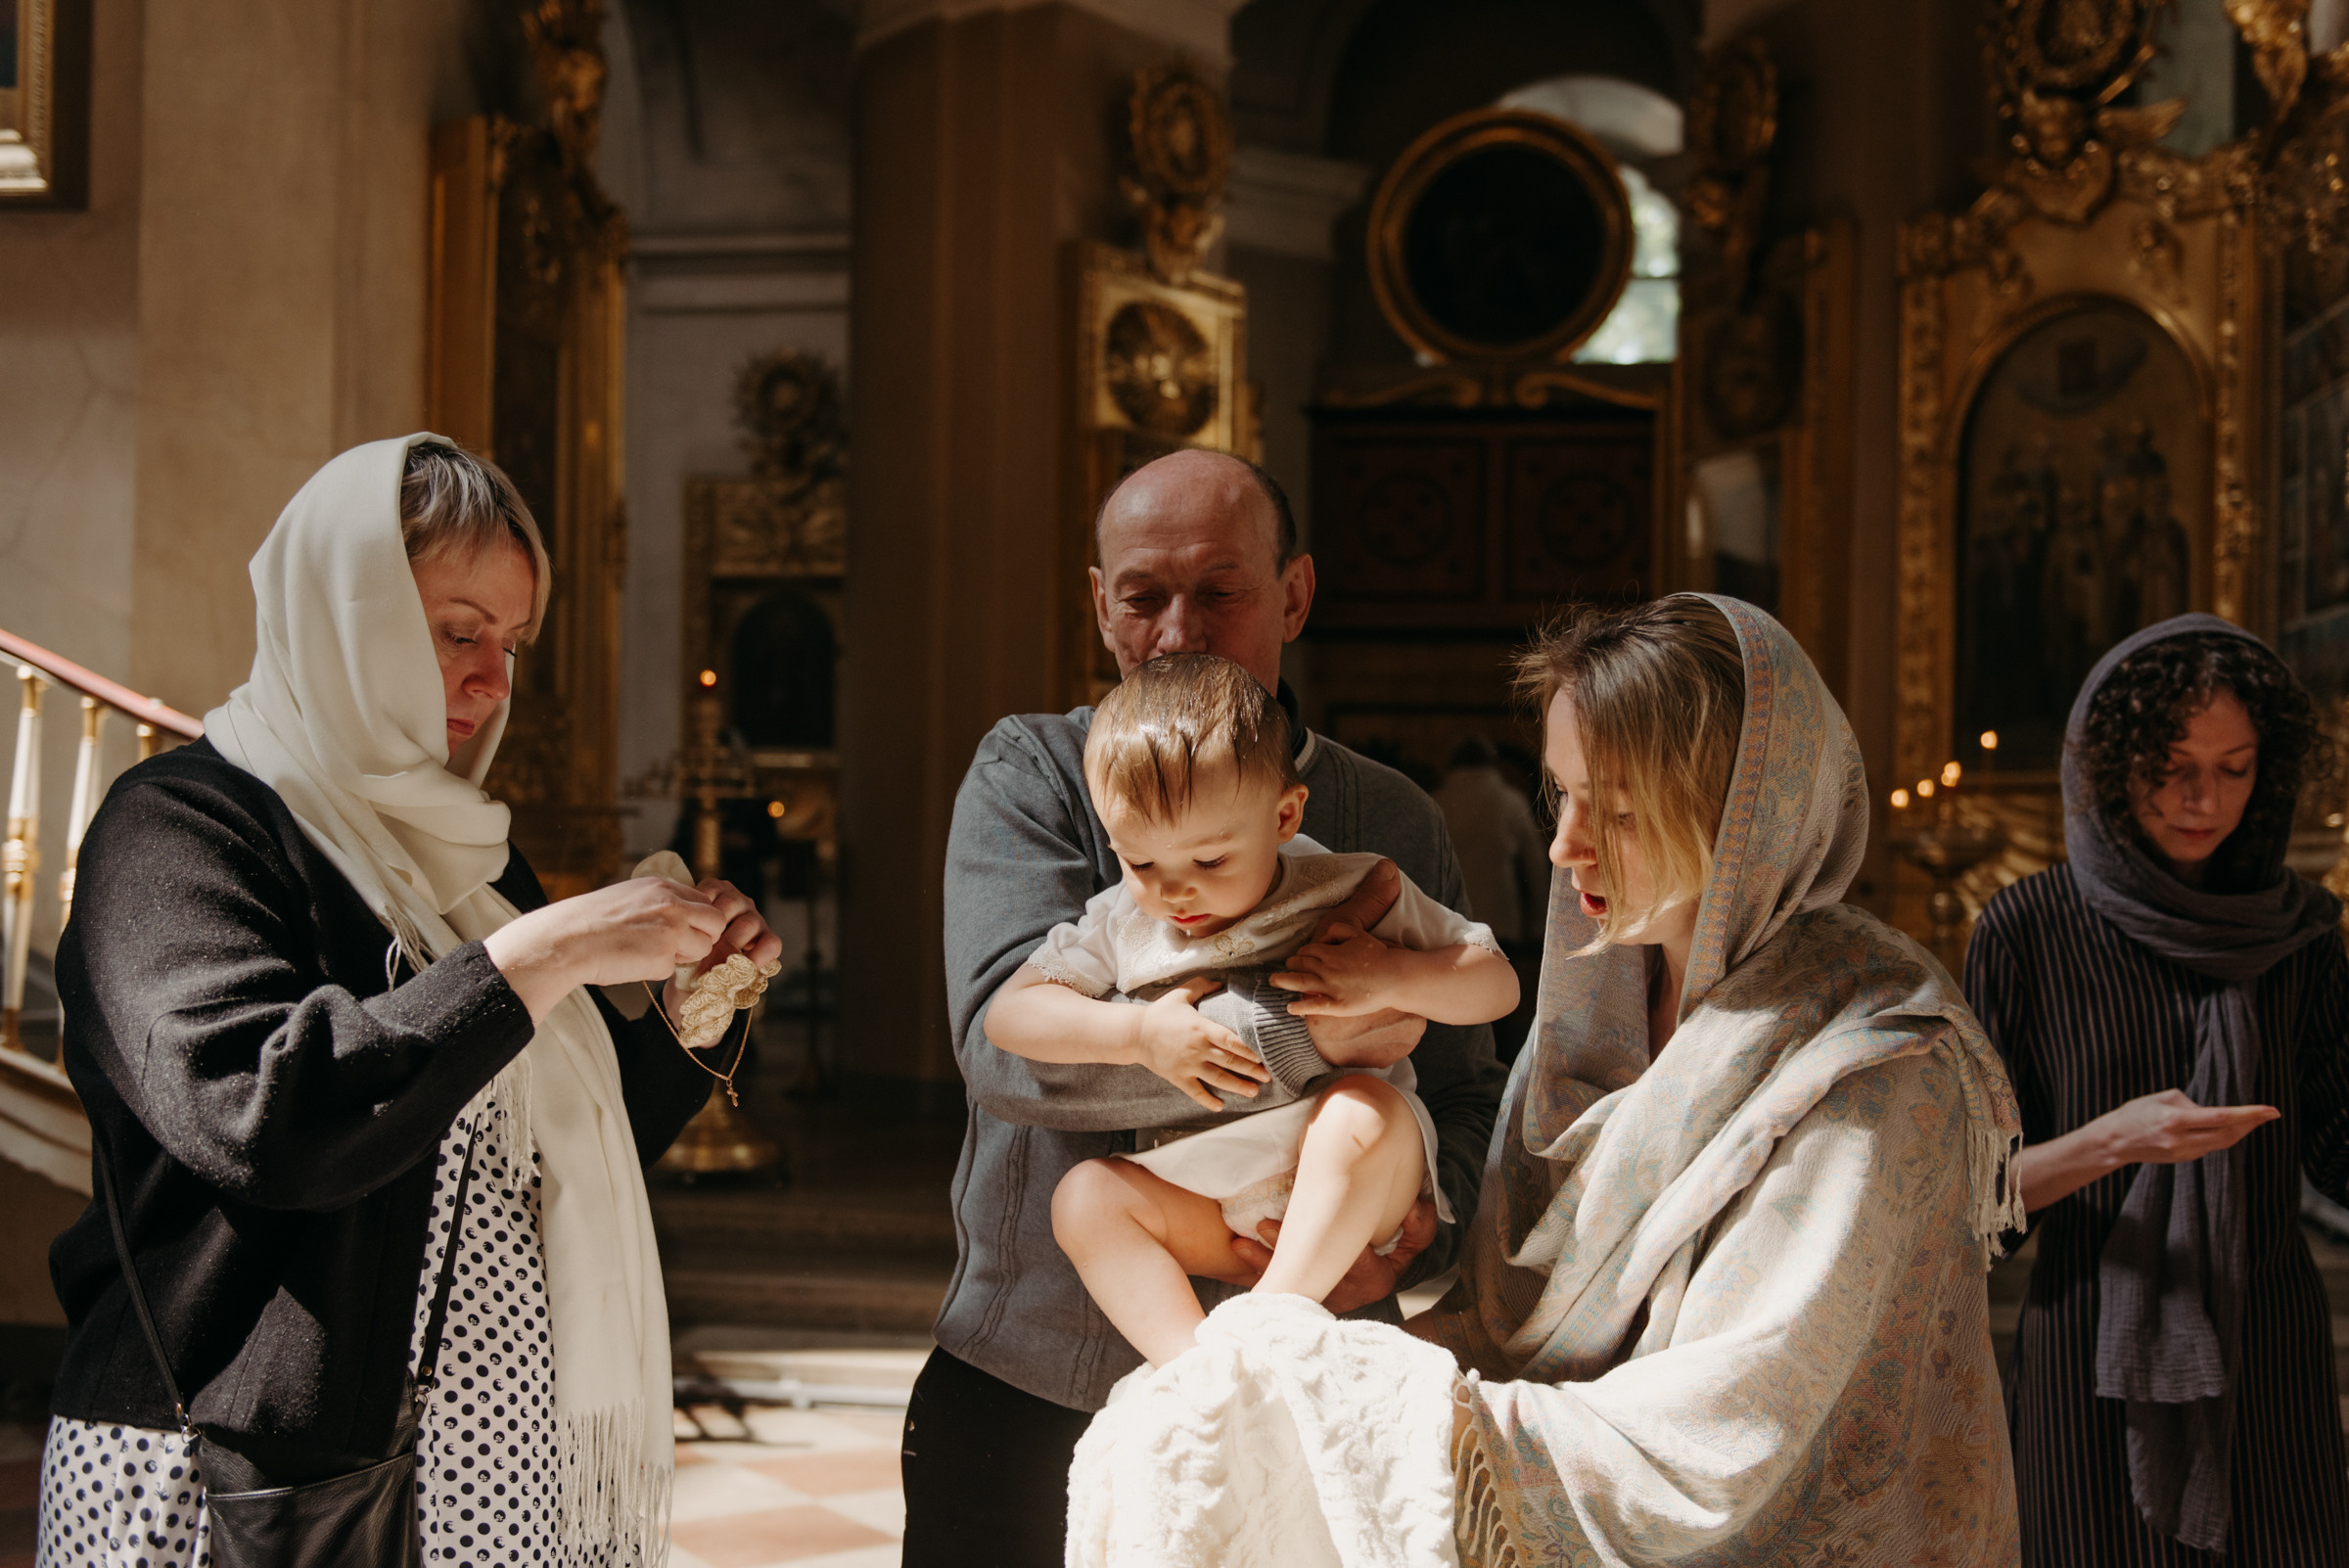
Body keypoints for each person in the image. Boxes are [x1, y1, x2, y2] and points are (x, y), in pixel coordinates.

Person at [36, 436, 781, 1565]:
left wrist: (697, 1007)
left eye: (513, 642)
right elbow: (260, 1119)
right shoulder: (181, 828)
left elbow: (552, 1141)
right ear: (343, 610)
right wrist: (542, 952)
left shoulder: (469, 867)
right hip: (246, 1476)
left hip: (493, 1466)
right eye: (455, 629)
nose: (492, 679)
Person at [906, 448, 1507, 1566]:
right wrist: (1305, 1034)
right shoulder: (1037, 773)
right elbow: (1012, 1058)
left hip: (1313, 1386)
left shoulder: (1389, 818)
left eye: (1219, 591)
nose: (1176, 630)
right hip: (1038, 1377)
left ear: (1295, 595)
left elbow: (1469, 1089)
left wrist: (1423, 1227)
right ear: (1100, 605)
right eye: (1142, 596)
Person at [1415, 594, 2024, 1565]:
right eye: (1562, 794)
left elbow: (1725, 1431)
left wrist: (1397, 1412)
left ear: (1749, 816)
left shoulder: (1877, 1059)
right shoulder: (1594, 1004)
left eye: (1616, 808)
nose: (1567, 845)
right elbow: (1512, 1304)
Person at [987, 655, 1516, 1366]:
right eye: (1141, 864)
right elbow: (1010, 1016)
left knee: (1363, 1105)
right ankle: (1194, 1374)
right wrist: (1137, 1032)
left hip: (1354, 1181)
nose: (1175, 892)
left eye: (1209, 862)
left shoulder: (1349, 883)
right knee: (1084, 1197)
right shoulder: (1120, 922)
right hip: (1207, 1190)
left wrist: (1392, 974)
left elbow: (1496, 984)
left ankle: (1271, 1325)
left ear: (1283, 815)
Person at [1963, 614, 2349, 1563]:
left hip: (2271, 1356)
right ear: (2109, 760)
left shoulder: (2300, 932)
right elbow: (1969, 1206)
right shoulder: (2026, 932)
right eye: (2170, 762)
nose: (2200, 797)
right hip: (2090, 1355)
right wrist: (2115, 1140)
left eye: (2235, 767)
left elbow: (2341, 1157)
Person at [1431, 734, 1550, 1060]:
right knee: (1500, 1008)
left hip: (1446, 920)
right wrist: (1540, 923)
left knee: (1450, 1009)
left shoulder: (1437, 800)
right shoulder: (1508, 800)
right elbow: (1536, 865)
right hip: (1499, 920)